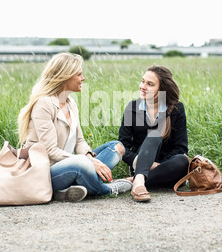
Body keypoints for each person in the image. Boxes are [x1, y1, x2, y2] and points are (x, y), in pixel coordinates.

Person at [17, 52, 131, 202]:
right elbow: (50, 151)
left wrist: (90, 158)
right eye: (79, 74)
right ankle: (108, 189)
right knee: (80, 164)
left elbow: (80, 141)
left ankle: (67, 190)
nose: (83, 78)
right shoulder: (44, 104)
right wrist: (87, 162)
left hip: (72, 163)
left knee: (116, 147)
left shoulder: (70, 103)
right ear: (65, 77)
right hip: (47, 172)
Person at [118, 65, 189, 202]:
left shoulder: (176, 109)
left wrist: (159, 165)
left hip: (166, 167)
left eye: (150, 84)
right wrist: (142, 162)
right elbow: (123, 147)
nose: (143, 86)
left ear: (162, 89)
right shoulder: (132, 108)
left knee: (183, 160)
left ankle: (136, 180)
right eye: (143, 81)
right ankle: (140, 181)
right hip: (140, 163)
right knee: (154, 135)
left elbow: (180, 148)